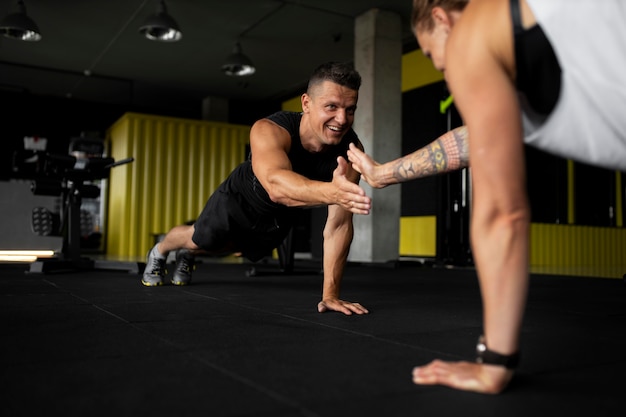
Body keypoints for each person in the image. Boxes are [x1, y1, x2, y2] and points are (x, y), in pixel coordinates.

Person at [348, 0, 626, 394]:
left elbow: (503, 215)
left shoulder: (470, 36)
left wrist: (495, 361)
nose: (440, 67)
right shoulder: (532, 28)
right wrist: (381, 173)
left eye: (430, 54)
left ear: (443, 19)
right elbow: (473, 138)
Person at [142, 61, 372, 316]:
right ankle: (161, 250)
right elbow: (276, 185)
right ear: (306, 103)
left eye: (350, 110)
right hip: (238, 200)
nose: (341, 119)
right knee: (199, 238)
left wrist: (330, 295)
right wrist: (334, 193)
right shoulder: (270, 129)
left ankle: (188, 254)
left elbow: (339, 225)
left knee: (232, 249)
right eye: (332, 107)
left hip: (279, 217)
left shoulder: (351, 152)